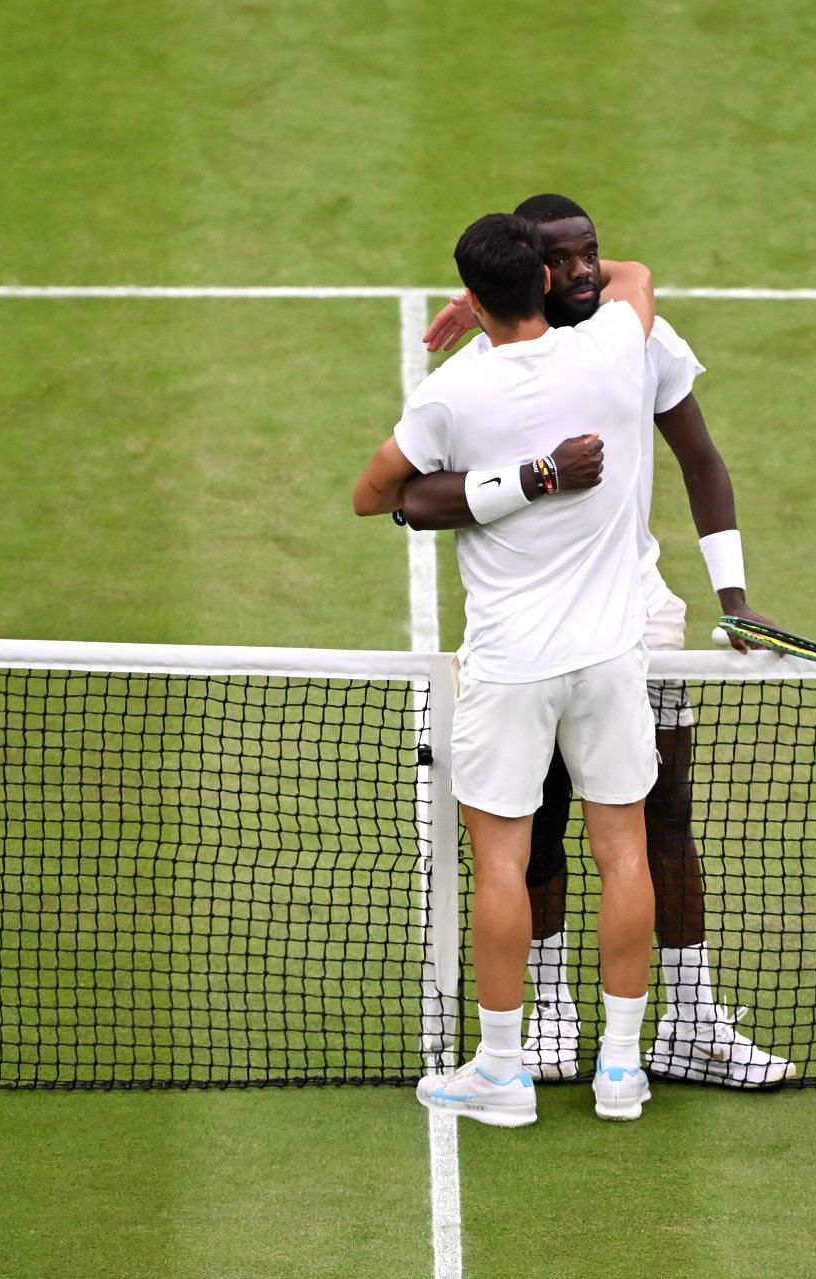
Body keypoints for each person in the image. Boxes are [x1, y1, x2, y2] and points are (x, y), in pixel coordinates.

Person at [402, 194, 796, 1089]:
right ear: (531, 275)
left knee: (663, 822)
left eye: (593, 255)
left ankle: (690, 1020)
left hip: (637, 619)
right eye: (562, 260)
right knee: (534, 827)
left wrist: (734, 597)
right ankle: (548, 1017)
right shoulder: (489, 366)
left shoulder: (638, 340)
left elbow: (701, 459)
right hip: (526, 630)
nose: (583, 271)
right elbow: (416, 494)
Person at [352, 213, 662, 1126]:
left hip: (509, 668)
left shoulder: (454, 393)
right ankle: (620, 1070)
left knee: (502, 863)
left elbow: (375, 496)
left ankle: (499, 1070)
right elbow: (635, 272)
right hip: (610, 658)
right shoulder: (612, 350)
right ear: (552, 279)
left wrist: (515, 475)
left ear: (479, 299)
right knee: (626, 854)